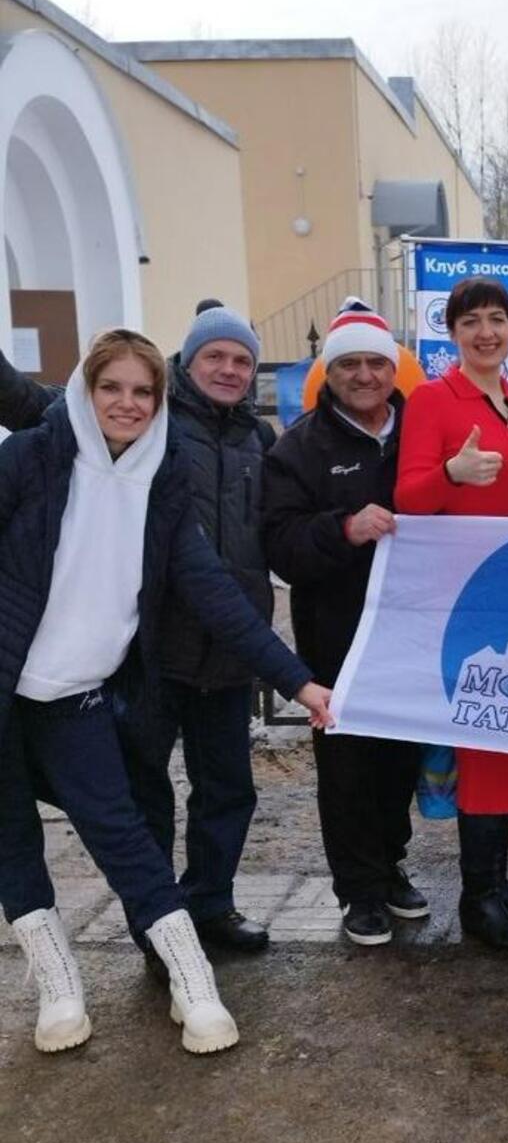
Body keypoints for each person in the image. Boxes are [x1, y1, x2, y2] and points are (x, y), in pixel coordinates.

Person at [0, 330, 332, 1055]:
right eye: (110, 387)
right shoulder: (31, 457)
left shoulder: (163, 481)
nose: (126, 402)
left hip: (76, 699)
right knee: (13, 845)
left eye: (141, 391)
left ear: (159, 400)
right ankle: (60, 989)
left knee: (124, 835)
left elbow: (213, 590)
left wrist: (299, 682)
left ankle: (193, 981)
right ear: (86, 392)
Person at [262, 302, 431, 947]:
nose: (364, 375)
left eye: (376, 363)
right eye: (350, 364)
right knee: (347, 764)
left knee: (399, 758)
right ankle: (358, 890)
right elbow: (280, 545)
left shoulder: (422, 428)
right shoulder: (298, 447)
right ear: (329, 372)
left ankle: (389, 866)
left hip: (414, 628)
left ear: (395, 368)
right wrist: (343, 529)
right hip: (338, 632)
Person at [395, 277, 508, 951]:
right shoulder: (434, 400)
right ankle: (476, 897)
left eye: (497, 319)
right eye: (471, 322)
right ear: (452, 333)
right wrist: (452, 475)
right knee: (484, 748)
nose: (486, 332)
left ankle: (497, 880)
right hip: (464, 605)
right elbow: (407, 498)